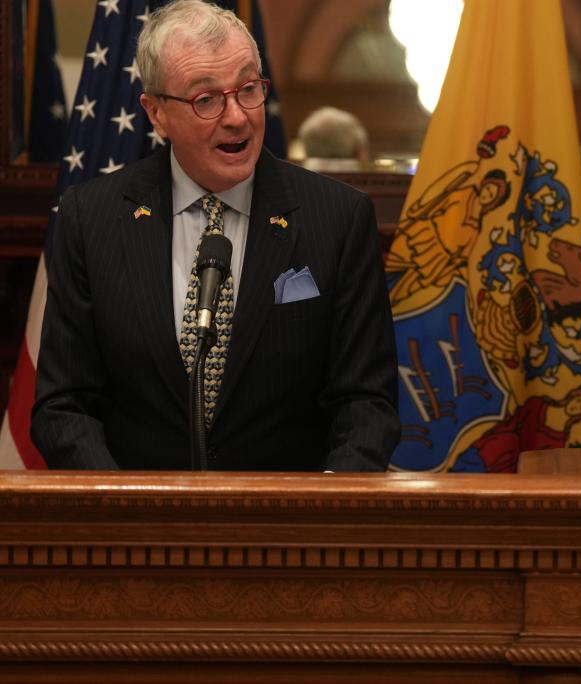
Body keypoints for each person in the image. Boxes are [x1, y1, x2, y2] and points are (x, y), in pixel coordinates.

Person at [31, 0, 399, 472]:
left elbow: (367, 403)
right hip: (137, 531)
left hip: (289, 530)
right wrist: (124, 513)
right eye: (206, 99)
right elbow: (63, 404)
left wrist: (318, 516)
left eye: (248, 89)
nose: (237, 117)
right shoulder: (92, 218)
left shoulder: (338, 218)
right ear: (156, 113)